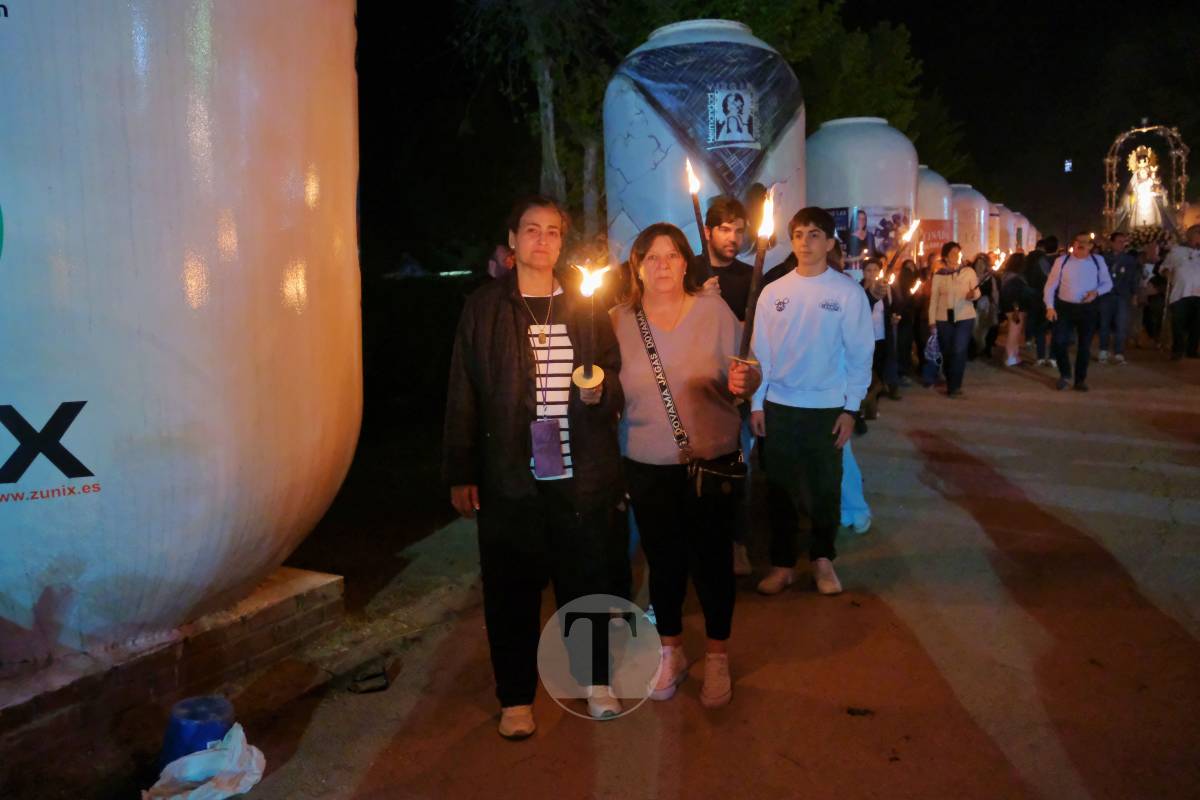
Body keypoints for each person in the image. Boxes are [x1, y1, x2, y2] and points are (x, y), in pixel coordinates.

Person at [443, 196, 625, 739]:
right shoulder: (484, 308)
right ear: (513, 239)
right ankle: (516, 696)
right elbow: (464, 392)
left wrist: (599, 392)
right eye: (532, 230)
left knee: (585, 579)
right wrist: (461, 470)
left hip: (578, 474)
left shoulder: (585, 307)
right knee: (510, 589)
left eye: (552, 231)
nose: (542, 240)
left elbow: (611, 373)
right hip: (509, 475)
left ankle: (595, 680)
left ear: (561, 242)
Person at [610, 223, 760, 709]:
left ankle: (717, 655)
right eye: (650, 257)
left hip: (710, 459)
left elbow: (749, 369)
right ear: (636, 266)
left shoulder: (713, 311)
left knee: (712, 561)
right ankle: (670, 649)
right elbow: (603, 387)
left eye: (671, 256)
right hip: (646, 462)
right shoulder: (616, 321)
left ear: (684, 263)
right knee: (664, 562)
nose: (661, 266)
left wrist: (747, 380)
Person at [751, 207, 874, 597]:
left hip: (827, 409)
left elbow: (860, 355)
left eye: (815, 234)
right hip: (780, 406)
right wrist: (757, 403)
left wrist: (851, 408)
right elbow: (760, 353)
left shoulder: (847, 293)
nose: (806, 242)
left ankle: (823, 559)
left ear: (830, 242)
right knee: (780, 490)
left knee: (825, 489)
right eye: (799, 234)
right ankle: (783, 564)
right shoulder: (773, 292)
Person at [1045, 231, 1113, 391]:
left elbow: (1107, 283)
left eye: (1085, 242)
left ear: (1091, 246)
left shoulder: (1098, 261)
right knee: (1059, 341)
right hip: (1064, 308)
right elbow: (1050, 285)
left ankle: (1080, 380)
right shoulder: (1062, 261)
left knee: (1084, 346)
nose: (1081, 245)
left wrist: (1096, 292)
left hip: (1087, 309)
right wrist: (1049, 306)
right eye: (1078, 241)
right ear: (1073, 244)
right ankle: (1065, 374)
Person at [928, 242, 980, 397]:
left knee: (959, 349)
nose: (956, 255)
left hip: (965, 316)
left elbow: (977, 291)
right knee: (948, 350)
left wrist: (973, 295)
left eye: (958, 252)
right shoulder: (939, 275)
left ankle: (955, 386)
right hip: (943, 318)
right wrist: (932, 321)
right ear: (945, 256)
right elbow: (934, 299)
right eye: (952, 253)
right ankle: (950, 377)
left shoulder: (968, 272)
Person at [1160, 224, 1200, 360]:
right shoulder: (1177, 251)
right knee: (1178, 323)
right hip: (1181, 292)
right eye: (1197, 232)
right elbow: (1164, 267)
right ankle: (1177, 350)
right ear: (1189, 235)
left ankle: (1192, 350)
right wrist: (1167, 273)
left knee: (1197, 324)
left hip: (1198, 293)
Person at [999, 252, 1032, 367]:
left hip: (1011, 308)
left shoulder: (1007, 276)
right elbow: (1013, 295)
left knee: (1014, 333)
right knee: (1014, 333)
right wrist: (1016, 309)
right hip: (1015, 309)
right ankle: (1010, 357)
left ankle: (1014, 356)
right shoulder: (1015, 278)